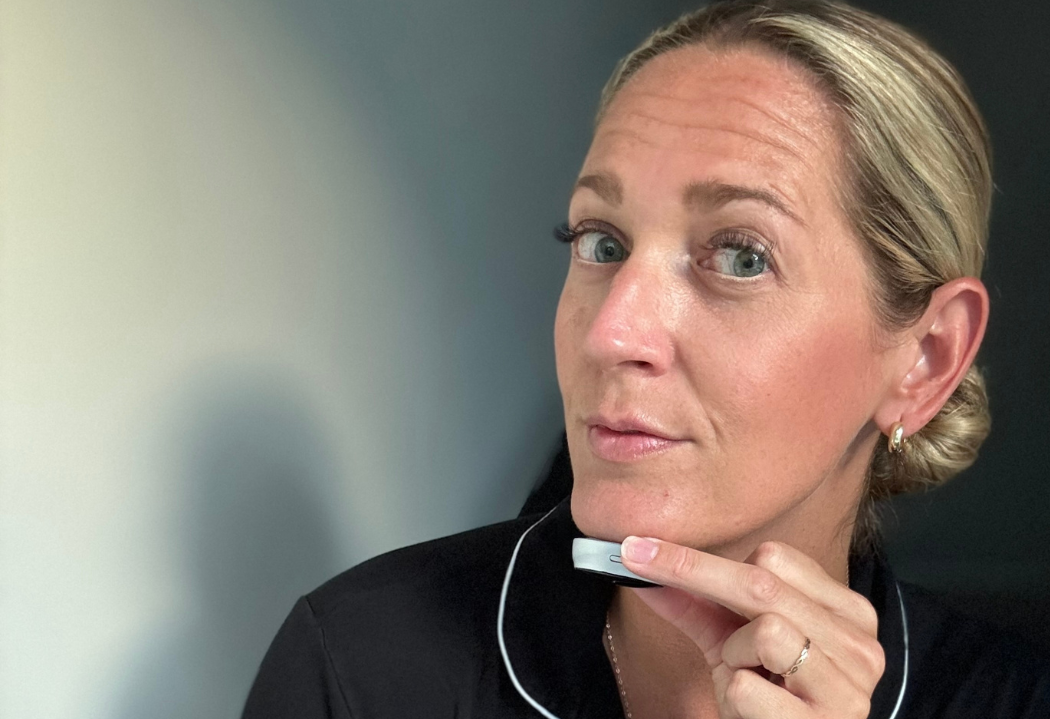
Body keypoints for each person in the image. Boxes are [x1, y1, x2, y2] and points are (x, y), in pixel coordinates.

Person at [241, 1, 1050, 717]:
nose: (612, 333)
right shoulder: (362, 670)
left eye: (739, 256)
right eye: (602, 242)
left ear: (925, 359)